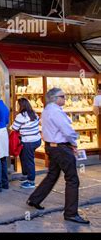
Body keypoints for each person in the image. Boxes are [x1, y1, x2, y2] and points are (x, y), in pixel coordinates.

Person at [27, 88, 89, 224]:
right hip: (61, 148)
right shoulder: (56, 112)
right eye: (62, 96)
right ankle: (71, 213)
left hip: (51, 146)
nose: (65, 98)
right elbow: (67, 130)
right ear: (55, 98)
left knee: (52, 175)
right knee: (72, 179)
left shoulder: (46, 110)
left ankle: (35, 199)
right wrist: (74, 143)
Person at [11, 98, 41, 189]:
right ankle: (25, 175)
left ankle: (31, 181)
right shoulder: (34, 114)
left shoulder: (21, 116)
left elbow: (14, 128)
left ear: (21, 106)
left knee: (29, 160)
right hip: (36, 140)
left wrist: (11, 126)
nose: (16, 106)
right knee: (23, 157)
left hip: (28, 141)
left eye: (17, 105)